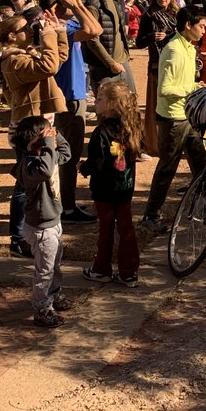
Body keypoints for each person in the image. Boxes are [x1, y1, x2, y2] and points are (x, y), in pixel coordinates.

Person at [0, 10, 71, 258]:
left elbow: (58, 57)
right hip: (27, 130)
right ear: (11, 36)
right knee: (25, 183)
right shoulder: (12, 61)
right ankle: (18, 238)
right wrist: (48, 34)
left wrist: (58, 31)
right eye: (24, 29)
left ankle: (41, 226)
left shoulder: (25, 53)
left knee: (44, 178)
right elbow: (49, 66)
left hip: (40, 124)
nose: (31, 31)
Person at [138, 6, 206, 235]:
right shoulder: (175, 50)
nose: (204, 29)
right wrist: (194, 88)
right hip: (173, 119)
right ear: (188, 25)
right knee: (167, 168)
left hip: (186, 116)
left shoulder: (188, 46)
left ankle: (205, 203)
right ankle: (151, 216)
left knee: (200, 162)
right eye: (201, 25)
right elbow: (166, 88)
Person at [9, 116, 75, 328]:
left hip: (53, 222)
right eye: (46, 135)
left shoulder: (49, 156)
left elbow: (66, 154)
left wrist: (56, 135)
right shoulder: (29, 166)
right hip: (40, 228)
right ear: (36, 143)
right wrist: (48, 144)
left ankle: (54, 296)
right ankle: (41, 308)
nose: (51, 139)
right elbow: (46, 171)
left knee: (54, 264)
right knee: (44, 271)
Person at [45, 0, 102, 224]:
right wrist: (77, 7)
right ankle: (67, 208)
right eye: (63, 2)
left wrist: (78, 6)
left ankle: (66, 204)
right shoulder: (59, 29)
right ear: (52, 9)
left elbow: (95, 29)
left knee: (71, 152)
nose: (68, 3)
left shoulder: (66, 27)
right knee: (69, 154)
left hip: (75, 93)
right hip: (68, 96)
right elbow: (92, 30)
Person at [79, 81, 142, 288]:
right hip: (125, 189)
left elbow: (97, 163)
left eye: (99, 99)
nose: (95, 102)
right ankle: (128, 272)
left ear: (112, 103)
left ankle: (101, 269)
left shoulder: (101, 132)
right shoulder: (130, 127)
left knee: (105, 230)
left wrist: (83, 168)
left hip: (104, 191)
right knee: (126, 229)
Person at [136, 0, 178, 155]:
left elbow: (186, 36)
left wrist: (169, 36)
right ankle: (155, 144)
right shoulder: (149, 16)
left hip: (176, 64)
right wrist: (151, 37)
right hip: (156, 65)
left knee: (174, 103)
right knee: (156, 105)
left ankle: (175, 141)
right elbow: (139, 43)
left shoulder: (178, 15)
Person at [83, 0, 136, 96]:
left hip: (122, 62)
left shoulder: (117, 0)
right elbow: (92, 41)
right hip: (104, 67)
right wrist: (111, 63)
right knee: (108, 110)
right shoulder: (93, 5)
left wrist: (125, 56)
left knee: (129, 103)